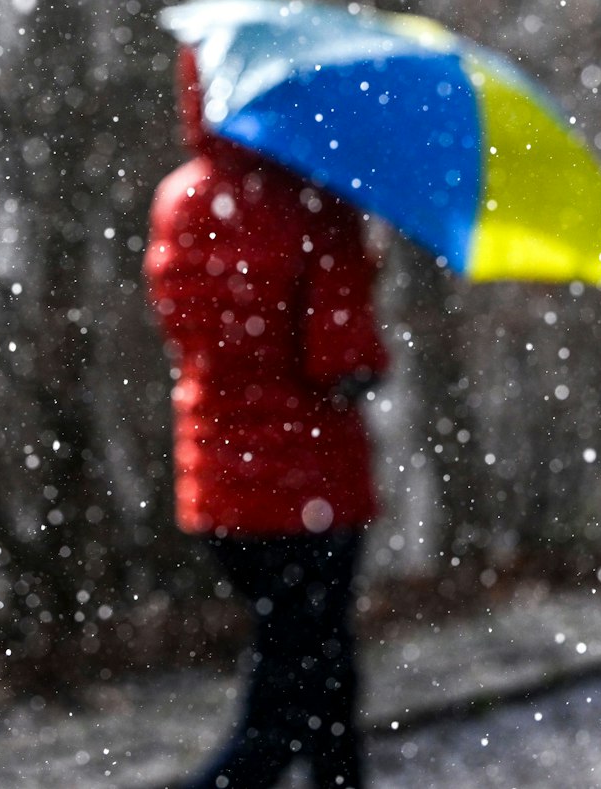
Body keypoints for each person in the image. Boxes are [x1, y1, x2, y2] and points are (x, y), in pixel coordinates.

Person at [146, 47, 389, 789]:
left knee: (323, 672)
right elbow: (343, 364)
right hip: (306, 488)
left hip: (221, 489)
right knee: (290, 706)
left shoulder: (180, 198)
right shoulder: (313, 203)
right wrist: (358, 261)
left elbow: (194, 332)